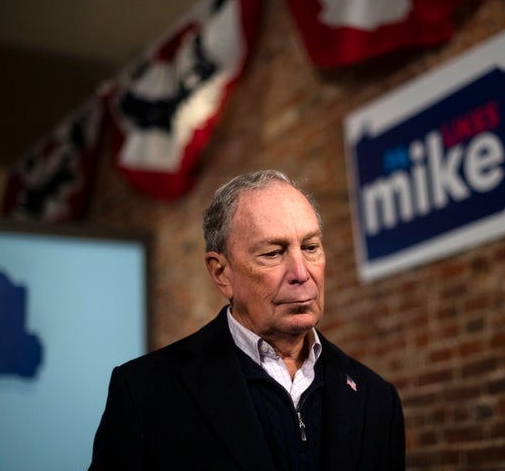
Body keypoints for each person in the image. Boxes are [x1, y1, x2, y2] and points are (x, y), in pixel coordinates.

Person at [89, 170, 405, 470]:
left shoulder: (377, 399)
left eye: (310, 247)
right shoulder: (145, 394)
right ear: (221, 273)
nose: (301, 273)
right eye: (273, 253)